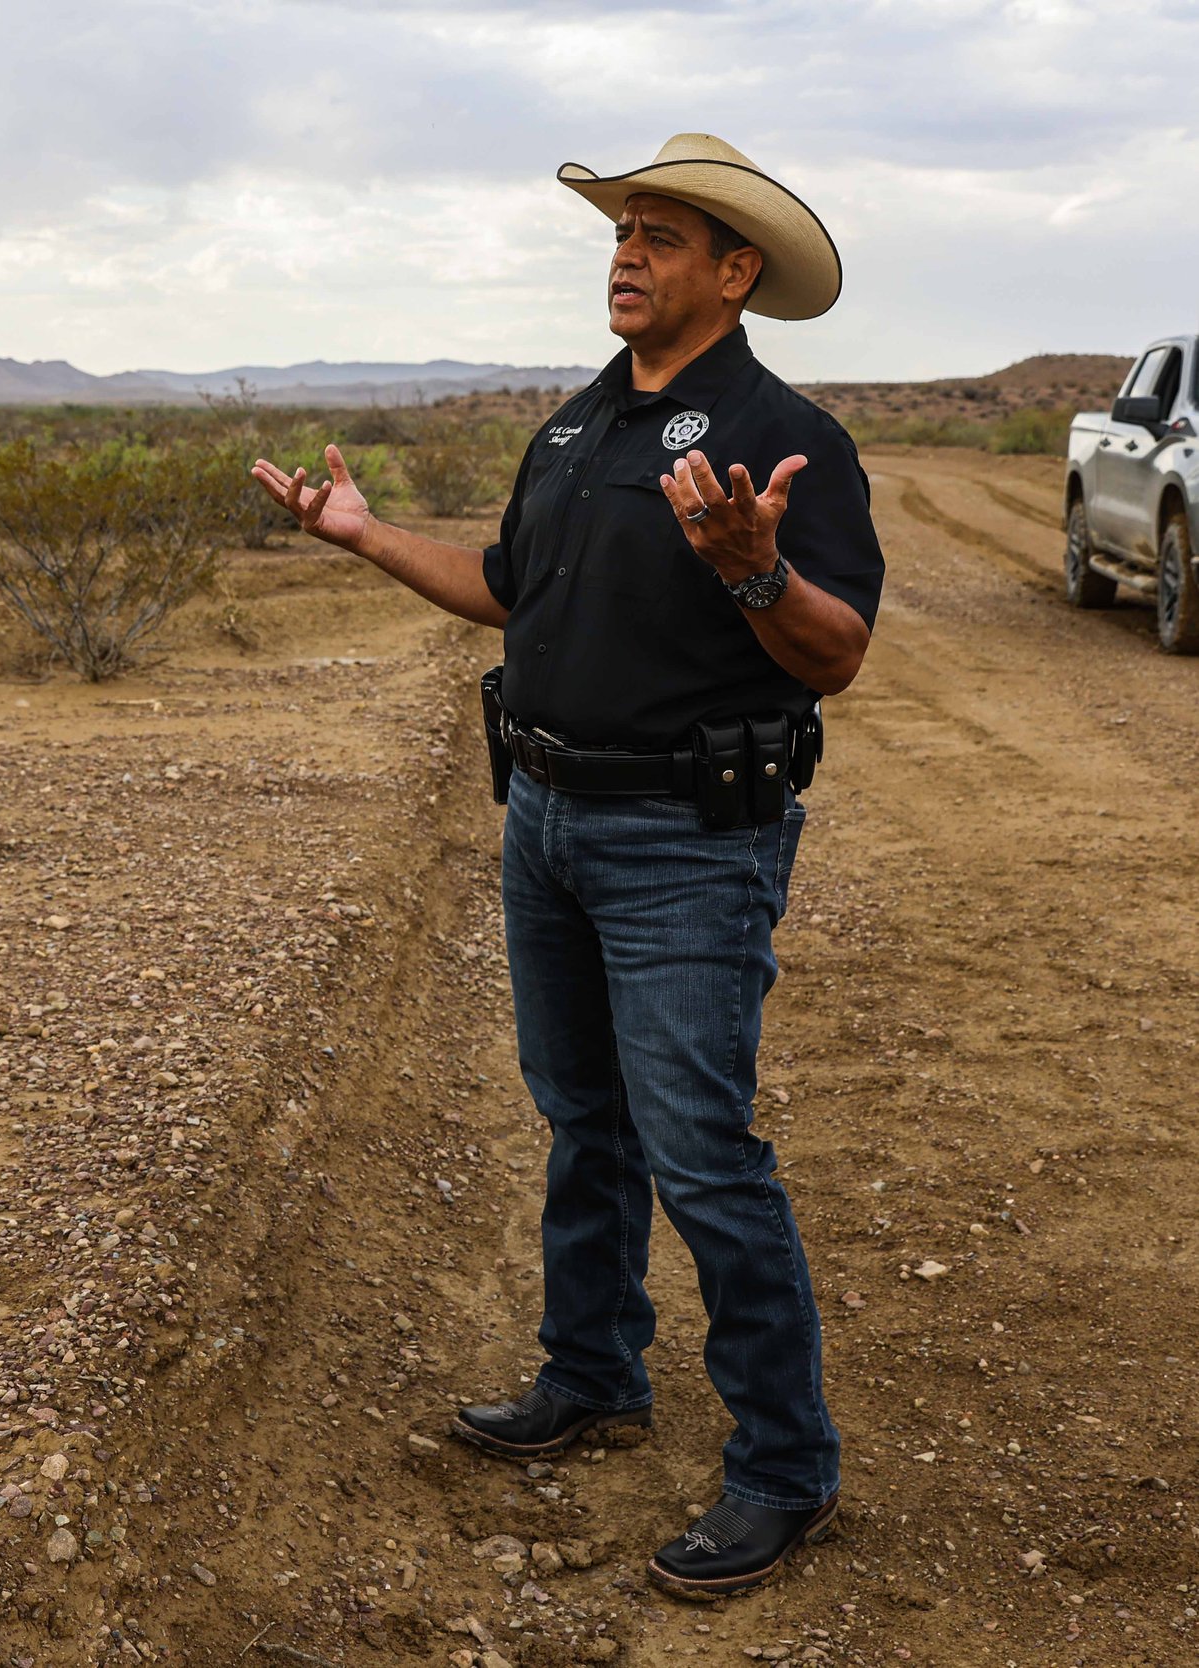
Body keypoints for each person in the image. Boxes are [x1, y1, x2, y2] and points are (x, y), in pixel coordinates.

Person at [251, 133, 884, 1600]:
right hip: (542, 817)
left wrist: (753, 569)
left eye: (662, 237)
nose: (626, 252)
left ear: (735, 273)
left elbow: (835, 655)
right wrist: (361, 536)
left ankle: (787, 1468)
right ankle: (592, 1375)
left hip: (687, 845)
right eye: (622, 231)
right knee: (581, 1117)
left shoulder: (784, 438)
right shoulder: (579, 427)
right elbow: (505, 587)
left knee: (701, 1152)